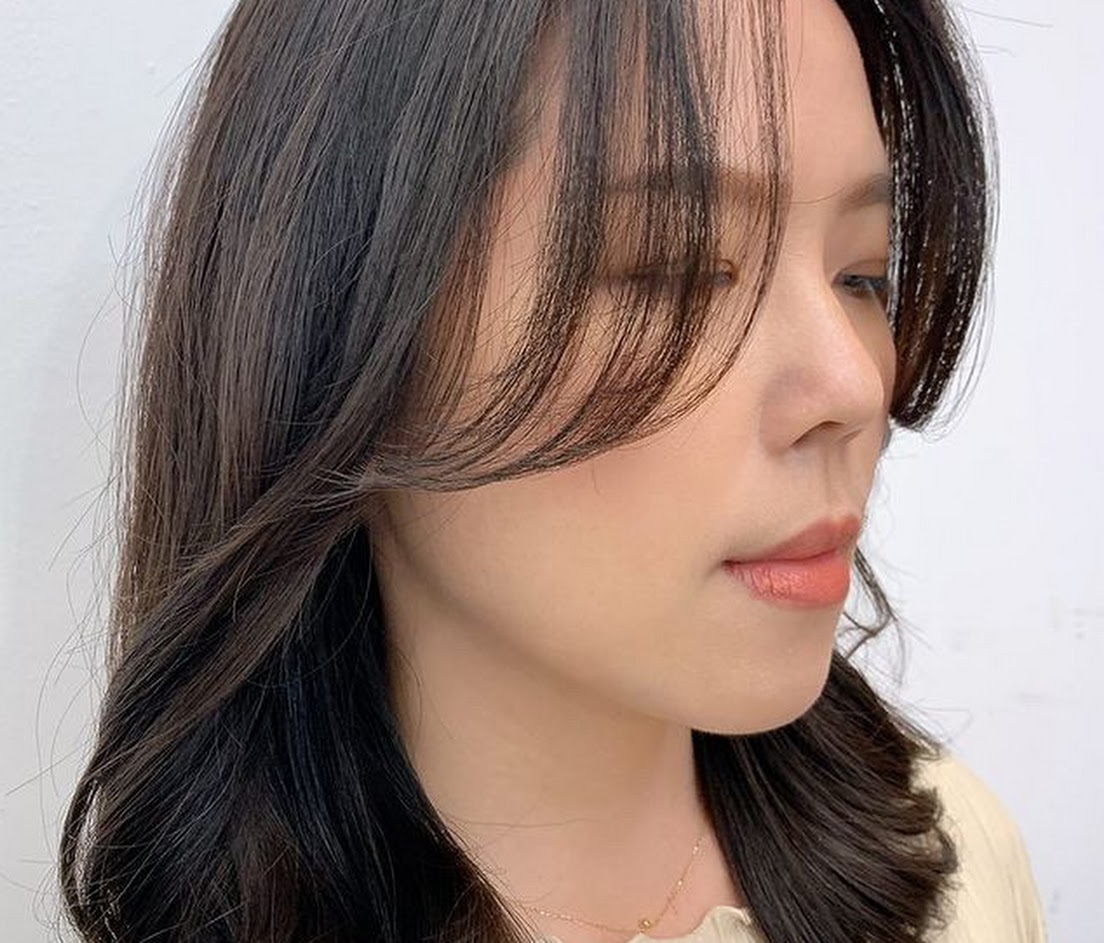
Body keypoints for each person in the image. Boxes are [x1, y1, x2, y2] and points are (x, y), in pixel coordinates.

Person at [58, 1, 1048, 941]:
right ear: (343, 323)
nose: (852, 385)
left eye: (861, 274)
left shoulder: (953, 868)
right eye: (675, 268)